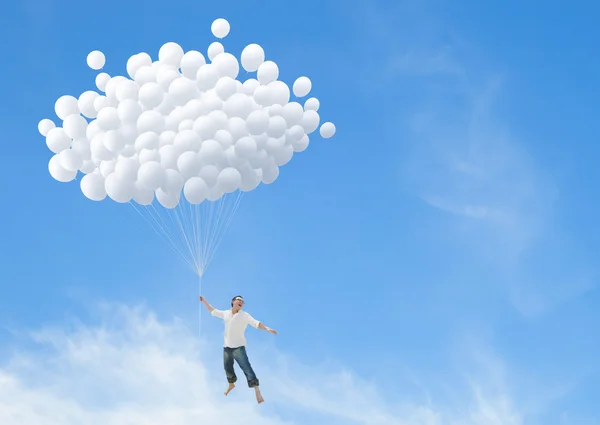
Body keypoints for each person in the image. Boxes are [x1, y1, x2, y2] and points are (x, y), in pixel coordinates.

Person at [199, 295, 277, 404]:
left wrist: (267, 329)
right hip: (227, 347)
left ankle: (256, 389)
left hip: (239, 348)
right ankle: (231, 384)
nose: (241, 302)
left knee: (246, 368)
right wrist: (204, 301)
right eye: (239, 300)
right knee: (227, 367)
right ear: (233, 302)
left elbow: (256, 323)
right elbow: (213, 310)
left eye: (242, 301)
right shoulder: (226, 313)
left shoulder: (244, 315)